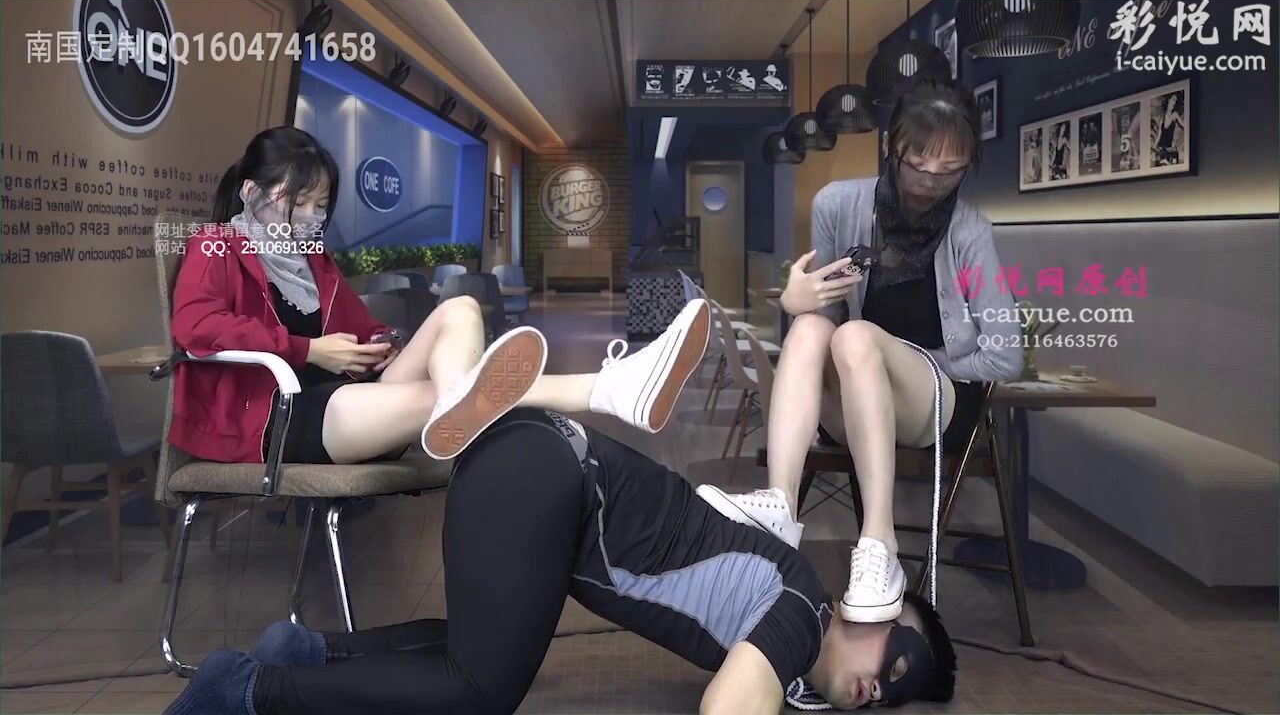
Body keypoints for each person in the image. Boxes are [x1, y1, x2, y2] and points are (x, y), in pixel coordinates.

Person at [164, 408, 956, 715]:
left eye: (891, 697)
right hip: (546, 479)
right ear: (869, 606)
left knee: (481, 650)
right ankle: (246, 692)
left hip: (536, 463)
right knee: (481, 691)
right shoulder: (802, 612)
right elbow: (727, 708)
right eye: (894, 656)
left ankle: (302, 651)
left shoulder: (796, 624)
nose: (877, 689)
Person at [168, 126, 711, 467]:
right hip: (278, 417)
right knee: (456, 395)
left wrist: (381, 344)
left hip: (356, 399)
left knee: (461, 309)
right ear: (250, 192)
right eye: (298, 202)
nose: (311, 217)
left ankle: (599, 392)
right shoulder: (216, 244)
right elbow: (195, 326)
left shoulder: (315, 261)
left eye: (320, 205)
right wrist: (310, 350)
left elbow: (363, 327)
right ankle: (606, 389)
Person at [699, 79, 1021, 626]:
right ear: (892, 147)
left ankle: (879, 545)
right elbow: (825, 316)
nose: (930, 183)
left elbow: (1006, 355)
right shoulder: (839, 204)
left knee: (856, 337)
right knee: (815, 330)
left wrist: (903, 356)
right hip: (852, 402)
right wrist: (797, 303)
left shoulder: (969, 232)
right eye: (918, 165)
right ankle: (780, 504)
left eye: (950, 172)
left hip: (929, 404)